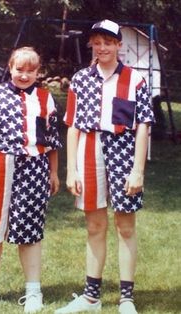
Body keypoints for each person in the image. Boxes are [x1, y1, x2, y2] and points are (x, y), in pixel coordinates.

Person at [55, 19, 154, 314]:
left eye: (108, 42)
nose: (103, 47)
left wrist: (138, 169)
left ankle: (126, 298)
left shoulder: (135, 80)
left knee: (125, 226)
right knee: (95, 225)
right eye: (97, 42)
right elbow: (72, 126)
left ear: (119, 45)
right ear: (91, 45)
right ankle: (91, 297)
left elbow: (143, 127)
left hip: (124, 155)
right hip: (88, 152)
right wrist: (71, 169)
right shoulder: (80, 80)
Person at [0, 46, 61, 313]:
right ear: (10, 67)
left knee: (29, 232)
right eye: (19, 69)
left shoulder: (45, 99)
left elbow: (51, 142)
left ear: (38, 72)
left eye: (31, 71)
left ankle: (33, 292)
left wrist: (53, 172)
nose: (24, 75)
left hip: (34, 169)